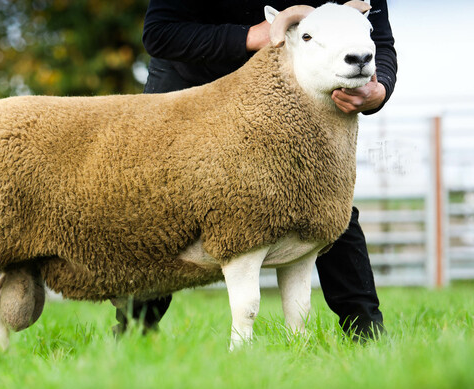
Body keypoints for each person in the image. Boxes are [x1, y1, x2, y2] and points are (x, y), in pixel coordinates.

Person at [113, 0, 397, 341]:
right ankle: (136, 330)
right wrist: (255, 35)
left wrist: (379, 91)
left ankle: (365, 332)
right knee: (165, 204)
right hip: (192, 80)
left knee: (322, 199)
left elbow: (378, 37)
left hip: (295, 83)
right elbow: (160, 33)